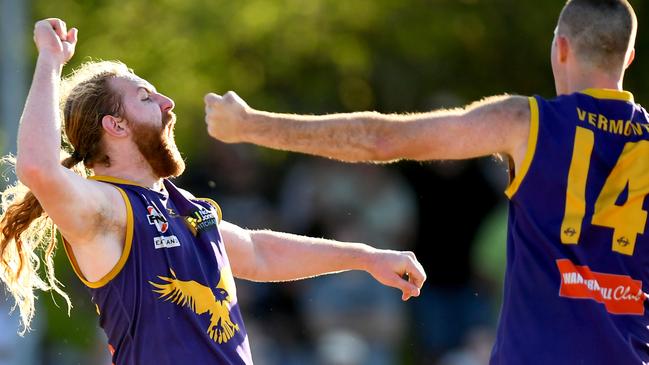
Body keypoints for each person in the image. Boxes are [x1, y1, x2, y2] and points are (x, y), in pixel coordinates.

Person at [205, 0, 648, 363]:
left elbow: (380, 140)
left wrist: (250, 125)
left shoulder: (526, 122)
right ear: (628, 57)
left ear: (561, 48)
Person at [0, 18, 427, 365]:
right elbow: (38, 166)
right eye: (146, 96)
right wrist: (51, 62)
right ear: (116, 126)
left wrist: (366, 257)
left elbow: (259, 253)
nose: (168, 102)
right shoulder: (107, 207)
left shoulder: (188, 208)